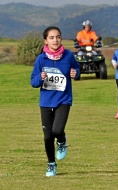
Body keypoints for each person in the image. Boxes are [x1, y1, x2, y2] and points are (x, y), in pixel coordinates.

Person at [30, 26, 80, 177]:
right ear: (46, 41)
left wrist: (75, 73)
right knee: (47, 136)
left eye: (58, 37)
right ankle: (51, 163)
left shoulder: (68, 55)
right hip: (46, 101)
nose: (55, 40)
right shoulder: (41, 59)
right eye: (51, 38)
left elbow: (77, 70)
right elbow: (33, 82)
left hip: (63, 99)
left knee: (57, 131)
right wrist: (41, 77)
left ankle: (62, 141)